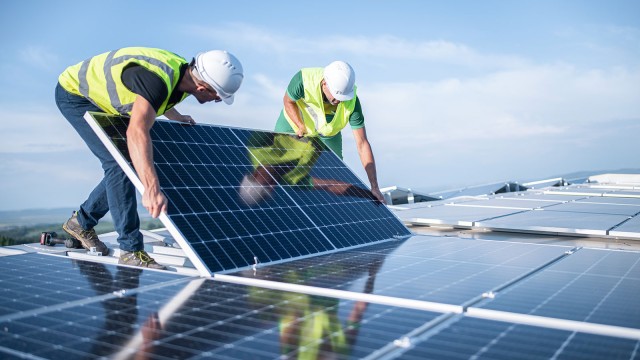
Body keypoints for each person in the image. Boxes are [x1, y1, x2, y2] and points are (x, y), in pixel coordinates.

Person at [55, 47, 243, 269]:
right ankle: (130, 250)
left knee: (135, 161)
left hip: (102, 100)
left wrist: (176, 116)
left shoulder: (185, 75)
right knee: (119, 163)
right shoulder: (157, 80)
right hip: (76, 95)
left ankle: (81, 222)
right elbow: (136, 131)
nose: (218, 101)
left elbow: (157, 98)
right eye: (218, 96)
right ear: (203, 87)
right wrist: (151, 190)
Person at [274, 61, 385, 203]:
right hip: (295, 122)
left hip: (328, 133)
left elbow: (362, 144)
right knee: (279, 166)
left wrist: (374, 186)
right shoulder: (303, 79)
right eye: (336, 96)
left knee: (334, 172)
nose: (339, 101)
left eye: (342, 98)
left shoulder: (352, 103)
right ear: (324, 83)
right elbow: (288, 101)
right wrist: (300, 126)